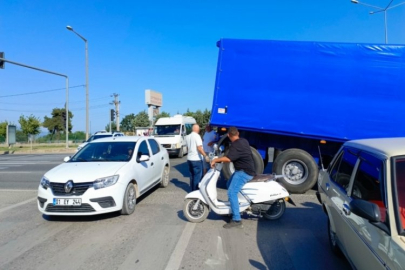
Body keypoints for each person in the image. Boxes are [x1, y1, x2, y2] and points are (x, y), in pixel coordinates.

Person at [210, 127, 255, 229]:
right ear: (238, 133)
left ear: (229, 135)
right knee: (228, 184)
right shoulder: (243, 141)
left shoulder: (236, 145)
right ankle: (234, 207)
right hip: (243, 170)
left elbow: (228, 158)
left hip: (244, 172)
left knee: (231, 192)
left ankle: (236, 219)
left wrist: (216, 160)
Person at [186, 124, 209, 191]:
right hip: (196, 159)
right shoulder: (197, 136)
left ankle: (192, 190)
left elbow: (188, 148)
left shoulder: (188, 136)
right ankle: (195, 191)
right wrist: (205, 156)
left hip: (189, 159)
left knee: (192, 176)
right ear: (197, 129)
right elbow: (199, 148)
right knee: (197, 176)